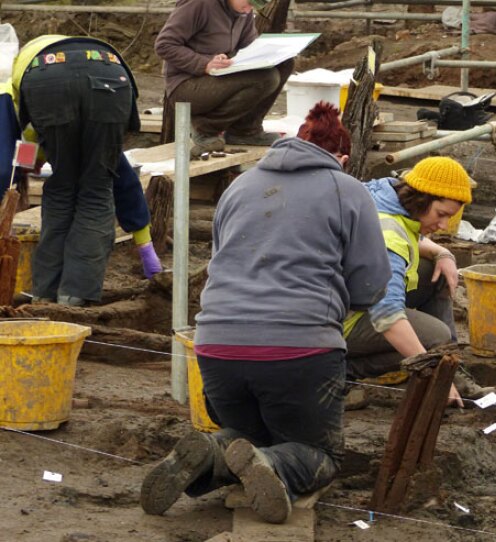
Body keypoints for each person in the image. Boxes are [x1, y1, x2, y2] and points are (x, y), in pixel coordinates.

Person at [140, 102, 390, 524]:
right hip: (299, 348)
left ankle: (211, 454)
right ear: (341, 158)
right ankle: (273, 467)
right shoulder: (348, 189)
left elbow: (222, 259)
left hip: (216, 347)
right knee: (320, 454)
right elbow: (369, 285)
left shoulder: (240, 185)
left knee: (248, 438)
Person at [345, 157, 490, 406]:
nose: (444, 226)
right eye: (441, 215)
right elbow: (387, 315)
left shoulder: (384, 195)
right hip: (336, 322)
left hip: (348, 300)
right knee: (435, 336)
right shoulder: (388, 234)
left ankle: (452, 370)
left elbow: (405, 232)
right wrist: (430, 366)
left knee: (435, 271)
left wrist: (443, 253)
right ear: (421, 198)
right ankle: (342, 374)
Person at [2, 58, 161, 283]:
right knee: (94, 183)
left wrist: (27, 168)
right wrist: (145, 245)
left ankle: (55, 288)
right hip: (107, 78)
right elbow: (124, 179)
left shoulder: (31, 121)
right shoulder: (24, 116)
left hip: (49, 83)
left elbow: (17, 160)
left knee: (69, 194)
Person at [155, 0, 288, 156]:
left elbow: (250, 48)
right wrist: (204, 64)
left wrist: (275, 54)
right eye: (249, 2)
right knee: (266, 77)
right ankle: (205, 128)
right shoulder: (199, 4)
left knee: (283, 64)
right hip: (185, 85)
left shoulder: (242, 11)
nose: (249, 9)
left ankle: (245, 130)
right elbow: (164, 44)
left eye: (255, 5)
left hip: (219, 76)